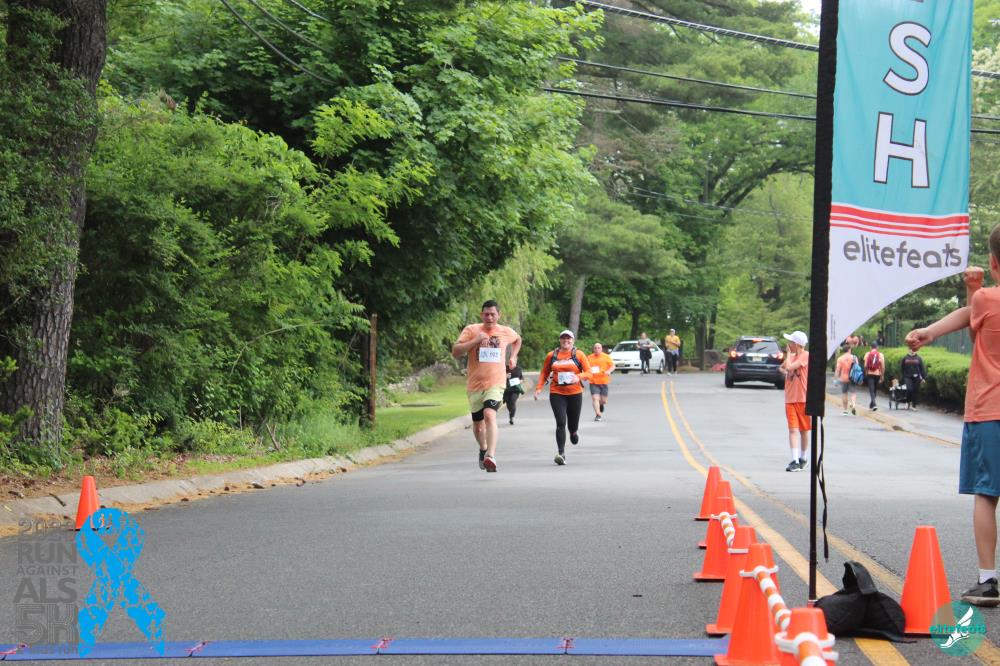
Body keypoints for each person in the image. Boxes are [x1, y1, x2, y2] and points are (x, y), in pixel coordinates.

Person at [905, 231, 999, 606]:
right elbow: (978, 322)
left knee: (987, 494)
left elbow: (978, 324)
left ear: (993, 262)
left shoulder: (986, 298)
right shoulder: (985, 300)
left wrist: (971, 290)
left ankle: (988, 580)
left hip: (990, 410)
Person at [452, 300, 521, 473]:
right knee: (478, 426)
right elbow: (456, 351)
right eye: (486, 314)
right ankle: (483, 448)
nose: (489, 317)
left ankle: (491, 455)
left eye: (493, 314)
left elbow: (517, 339)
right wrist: (476, 340)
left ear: (499, 315)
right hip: (475, 385)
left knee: (489, 415)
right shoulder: (471, 330)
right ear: (481, 315)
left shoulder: (505, 331)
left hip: (496, 383)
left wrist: (513, 356)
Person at [535, 330, 591, 465]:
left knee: (573, 423)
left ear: (573, 340)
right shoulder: (552, 355)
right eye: (563, 338)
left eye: (568, 338)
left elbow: (589, 373)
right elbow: (544, 372)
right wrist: (539, 388)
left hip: (575, 393)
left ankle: (573, 432)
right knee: (560, 423)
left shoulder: (579, 355)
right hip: (557, 393)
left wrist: (578, 377)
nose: (566, 341)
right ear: (560, 340)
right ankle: (561, 453)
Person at [779, 330, 810, 472]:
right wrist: (785, 369)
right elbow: (783, 367)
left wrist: (788, 356)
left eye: (791, 342)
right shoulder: (791, 356)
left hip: (802, 398)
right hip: (790, 398)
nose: (789, 344)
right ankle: (795, 460)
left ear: (797, 344)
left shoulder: (806, 355)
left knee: (804, 430)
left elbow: (790, 366)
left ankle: (803, 458)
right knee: (792, 429)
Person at [586, 342, 615, 421]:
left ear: (601, 349)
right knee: (595, 398)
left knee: (604, 401)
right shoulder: (589, 357)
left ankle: (601, 404)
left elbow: (613, 366)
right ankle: (598, 414)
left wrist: (609, 371)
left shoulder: (606, 357)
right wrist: (585, 375)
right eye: (595, 348)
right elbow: (585, 367)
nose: (597, 349)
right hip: (593, 382)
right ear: (593, 349)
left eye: (599, 348)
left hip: (603, 381)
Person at [834, 345, 858, 416]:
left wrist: (836, 380)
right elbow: (857, 368)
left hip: (843, 378)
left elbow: (837, 370)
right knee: (853, 393)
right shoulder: (854, 357)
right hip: (852, 378)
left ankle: (845, 411)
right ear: (849, 350)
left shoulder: (840, 359)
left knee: (844, 393)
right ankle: (853, 404)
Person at [863, 344, 886, 411]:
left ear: (871, 347)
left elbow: (865, 366)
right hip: (877, 374)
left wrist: (866, 372)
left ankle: (874, 404)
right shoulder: (881, 355)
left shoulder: (867, 354)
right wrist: (882, 375)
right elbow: (883, 367)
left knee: (871, 389)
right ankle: (872, 404)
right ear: (877, 347)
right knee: (875, 389)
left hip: (870, 374)